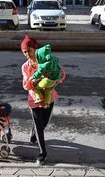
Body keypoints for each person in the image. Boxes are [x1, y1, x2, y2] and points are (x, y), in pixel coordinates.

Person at [20, 35, 66, 165]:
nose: (27, 54)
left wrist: (53, 80)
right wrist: (35, 80)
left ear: (35, 49)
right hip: (34, 99)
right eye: (24, 52)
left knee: (43, 124)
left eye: (29, 50)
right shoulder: (25, 67)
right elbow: (25, 85)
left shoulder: (47, 60)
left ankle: (33, 131)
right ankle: (42, 153)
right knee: (39, 126)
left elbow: (61, 74)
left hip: (49, 98)